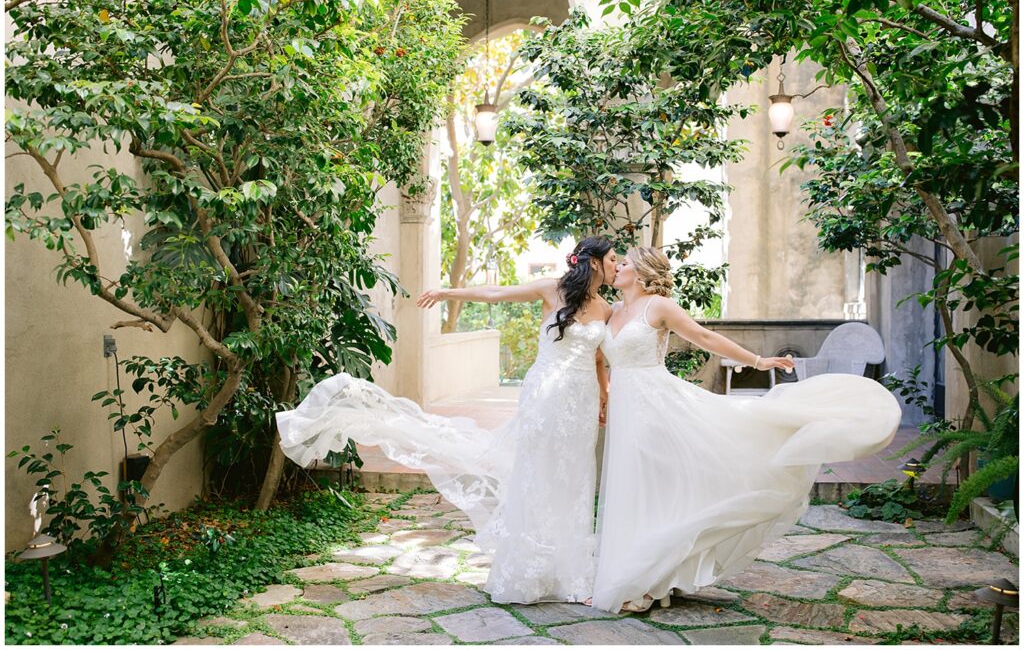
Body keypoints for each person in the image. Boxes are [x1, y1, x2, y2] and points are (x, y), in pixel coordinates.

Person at [277, 236, 617, 604]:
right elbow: (496, 293)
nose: (618, 265)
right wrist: (447, 293)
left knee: (575, 478)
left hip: (581, 401)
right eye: (614, 259)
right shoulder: (552, 289)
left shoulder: (607, 309)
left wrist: (604, 394)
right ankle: (526, 574)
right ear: (595, 263)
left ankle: (569, 574)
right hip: (546, 394)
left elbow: (599, 357)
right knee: (537, 475)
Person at [591, 246, 901, 613]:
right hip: (626, 408)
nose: (618, 267)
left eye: (624, 262)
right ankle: (650, 575)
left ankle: (647, 581)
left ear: (640, 273)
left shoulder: (657, 306)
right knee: (636, 488)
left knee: (654, 485)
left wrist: (758, 360)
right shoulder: (612, 312)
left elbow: (704, 338)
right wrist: (603, 395)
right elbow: (601, 359)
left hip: (656, 406)